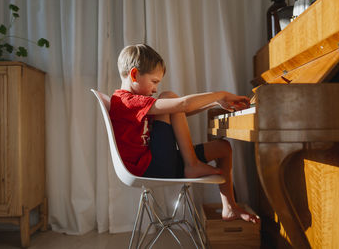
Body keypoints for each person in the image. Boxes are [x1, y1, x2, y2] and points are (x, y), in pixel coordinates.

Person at [109, 44, 260, 223]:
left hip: (159, 163)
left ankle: (230, 207)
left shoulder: (135, 102)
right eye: (154, 81)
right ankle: (192, 164)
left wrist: (215, 103)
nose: (155, 89)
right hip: (150, 168)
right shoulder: (126, 101)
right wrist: (220, 94)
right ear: (134, 74)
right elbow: (180, 105)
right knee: (169, 97)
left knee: (223, 148)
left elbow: (179, 112)